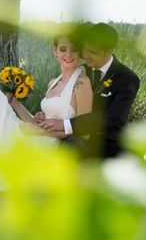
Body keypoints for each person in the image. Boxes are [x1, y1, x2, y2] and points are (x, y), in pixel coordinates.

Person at [41, 23, 140, 158]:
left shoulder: (127, 79)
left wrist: (65, 124)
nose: (86, 55)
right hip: (75, 137)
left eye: (93, 52)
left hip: (106, 144)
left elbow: (112, 118)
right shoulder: (82, 70)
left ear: (109, 51)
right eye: (85, 49)